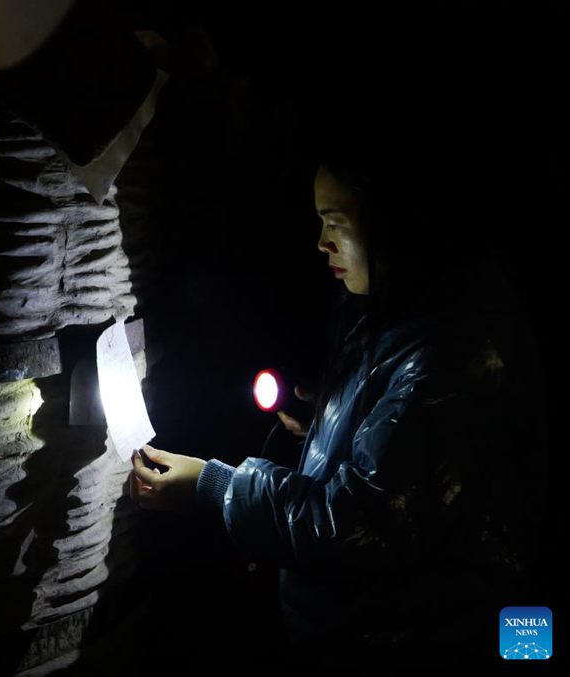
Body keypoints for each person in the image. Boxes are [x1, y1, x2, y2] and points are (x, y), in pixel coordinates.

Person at [128, 110, 550, 668]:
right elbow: (398, 459)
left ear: (392, 220)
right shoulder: (381, 305)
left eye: (336, 221)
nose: (321, 241)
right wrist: (331, 424)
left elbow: (359, 523)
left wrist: (214, 488)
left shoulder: (454, 353)